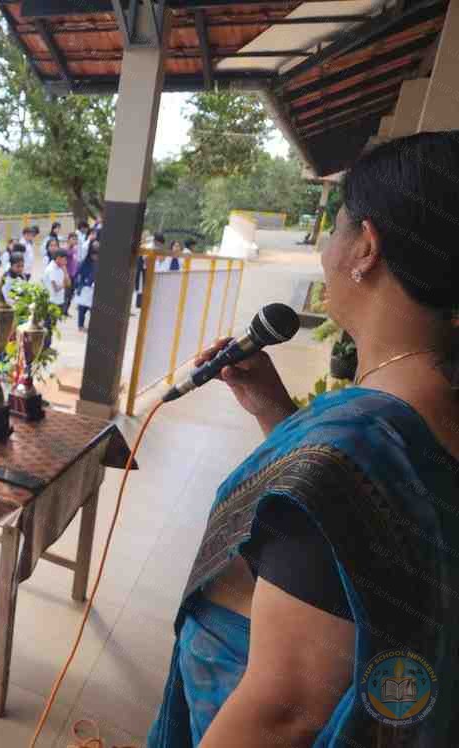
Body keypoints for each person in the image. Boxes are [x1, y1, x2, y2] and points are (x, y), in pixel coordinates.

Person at [148, 132, 459, 747]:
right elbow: (355, 541)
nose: (325, 250)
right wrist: (275, 413)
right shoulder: (427, 410)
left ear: (366, 247)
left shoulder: (361, 444)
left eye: (335, 227)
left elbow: (285, 711)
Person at [43, 249, 70, 347]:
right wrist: (64, 284)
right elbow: (56, 288)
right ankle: (45, 346)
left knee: (52, 325)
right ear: (58, 258)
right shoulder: (51, 269)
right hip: (51, 302)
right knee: (48, 326)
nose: (66, 262)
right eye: (64, 259)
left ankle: (46, 346)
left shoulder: (61, 267)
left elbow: (68, 283)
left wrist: (65, 272)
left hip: (58, 301)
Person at [75, 241, 97, 332]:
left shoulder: (99, 263)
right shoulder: (84, 263)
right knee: (82, 309)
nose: (95, 257)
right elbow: (78, 275)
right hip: (84, 288)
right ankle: (80, 325)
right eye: (93, 255)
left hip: (93, 289)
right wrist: (80, 285)